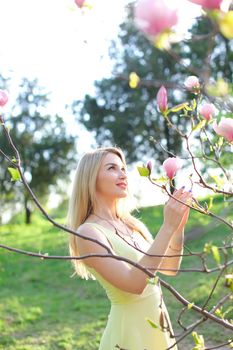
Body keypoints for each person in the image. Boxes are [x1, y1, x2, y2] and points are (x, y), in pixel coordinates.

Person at [67, 146, 192, 350]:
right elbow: (134, 284)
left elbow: (170, 267)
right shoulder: (88, 232)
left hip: (157, 329)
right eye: (112, 168)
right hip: (129, 335)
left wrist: (177, 228)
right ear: (91, 178)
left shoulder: (132, 224)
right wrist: (167, 226)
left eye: (123, 168)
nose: (123, 173)